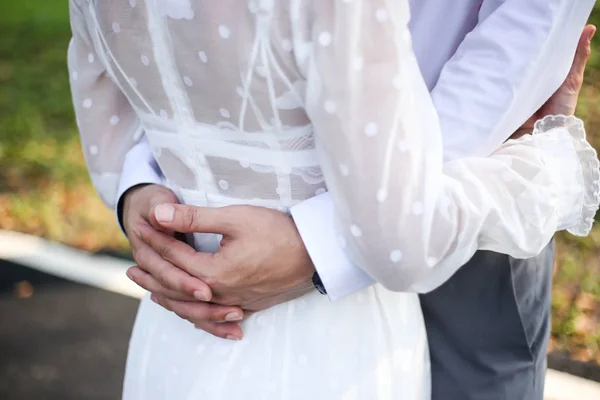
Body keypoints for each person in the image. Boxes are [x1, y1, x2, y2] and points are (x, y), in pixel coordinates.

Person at [68, 0, 598, 399]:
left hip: (180, 336)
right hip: (349, 338)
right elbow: (404, 242)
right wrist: (553, 162)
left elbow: (102, 98)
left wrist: (145, 199)